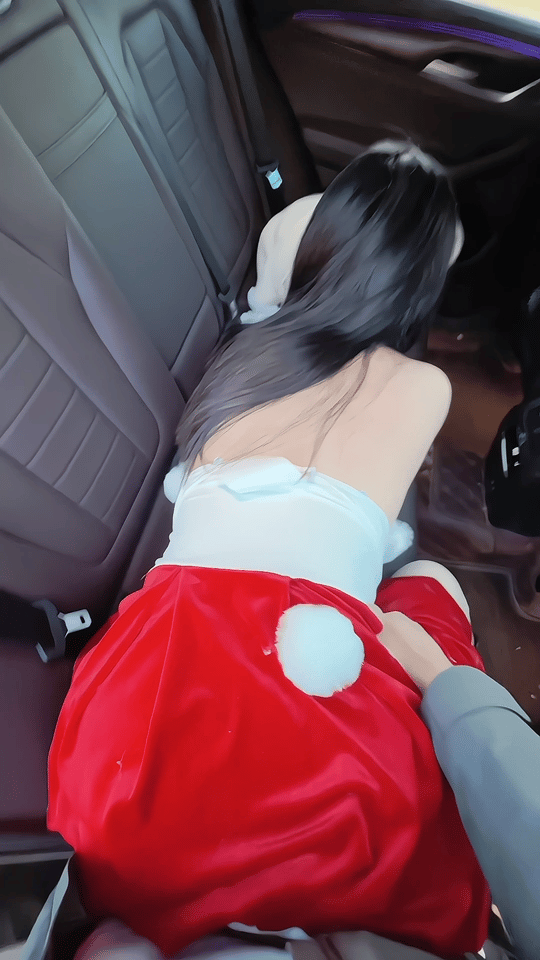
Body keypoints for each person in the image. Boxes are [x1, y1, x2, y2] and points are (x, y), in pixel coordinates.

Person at [47, 142, 491, 960]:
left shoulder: (248, 354)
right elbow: (376, 548)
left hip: (164, 643)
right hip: (305, 645)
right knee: (429, 581)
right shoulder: (424, 386)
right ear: (422, 282)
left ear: (325, 238)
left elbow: (294, 240)